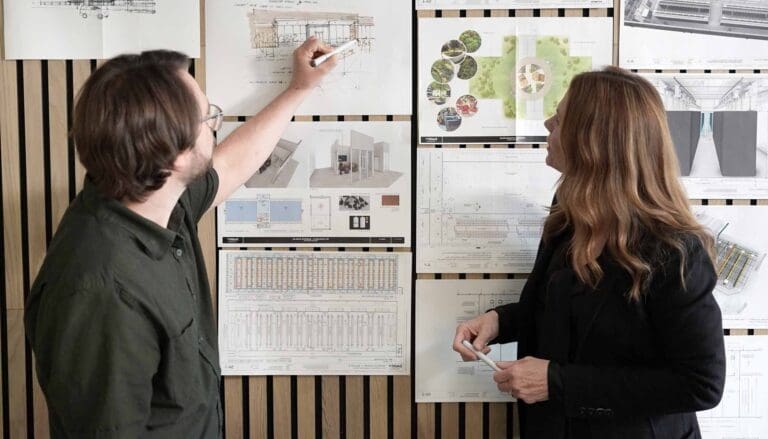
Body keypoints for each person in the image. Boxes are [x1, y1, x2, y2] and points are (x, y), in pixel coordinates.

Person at [25, 37, 336, 437]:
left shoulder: (151, 194)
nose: (216, 127)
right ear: (175, 156)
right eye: (209, 119)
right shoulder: (100, 293)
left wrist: (298, 88)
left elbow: (228, 166)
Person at [453, 66, 725, 438]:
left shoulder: (675, 251)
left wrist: (558, 383)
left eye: (559, 119)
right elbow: (560, 312)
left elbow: (701, 384)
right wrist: (499, 321)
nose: (547, 124)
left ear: (594, 141)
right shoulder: (568, 215)